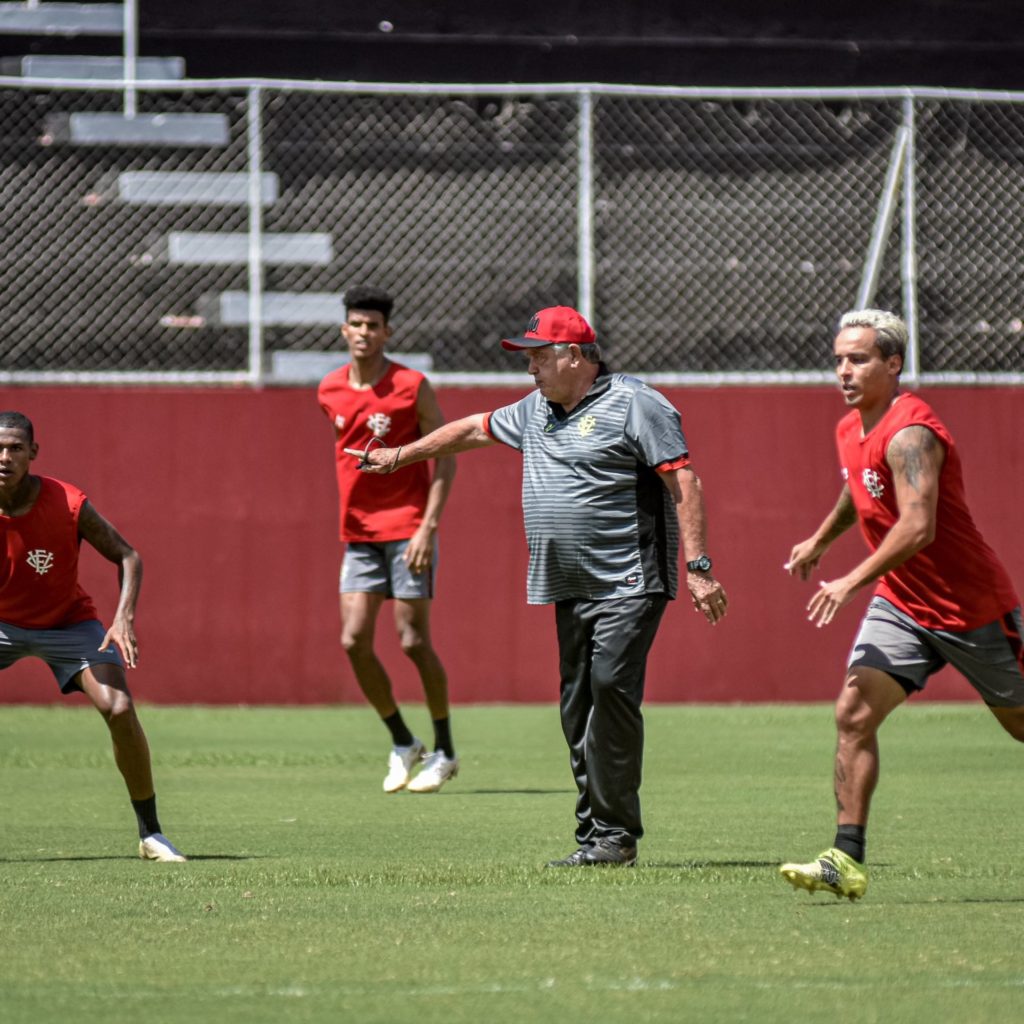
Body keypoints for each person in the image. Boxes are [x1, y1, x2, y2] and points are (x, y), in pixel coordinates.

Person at [346, 305, 728, 866]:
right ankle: (595, 835)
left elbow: (683, 481)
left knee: (609, 692)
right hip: (567, 584)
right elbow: (473, 428)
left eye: (538, 357)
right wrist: (400, 456)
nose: (531, 370)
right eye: (528, 359)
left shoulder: (636, 402)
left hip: (629, 579)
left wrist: (699, 569)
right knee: (577, 710)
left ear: (574, 355)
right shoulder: (536, 409)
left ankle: (615, 837)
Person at [780, 309, 1024, 901]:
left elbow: (918, 526)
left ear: (893, 364)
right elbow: (859, 483)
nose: (844, 369)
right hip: (903, 604)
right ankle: (846, 859)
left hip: (970, 608)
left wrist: (848, 581)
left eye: (858, 359)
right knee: (853, 714)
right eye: (838, 358)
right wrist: (820, 538)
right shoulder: (852, 427)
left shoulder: (913, 431)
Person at [0, 411, 185, 862]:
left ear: (33, 454)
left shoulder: (66, 502)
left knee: (119, 708)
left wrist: (123, 618)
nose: (4, 457)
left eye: (15, 448)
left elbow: (127, 556)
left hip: (67, 624)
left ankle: (151, 834)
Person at [317, 286, 459, 793]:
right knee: (353, 640)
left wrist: (429, 525)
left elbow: (446, 453)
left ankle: (444, 750)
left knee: (412, 640)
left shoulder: (411, 385)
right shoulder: (328, 389)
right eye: (356, 324)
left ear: (387, 333)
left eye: (373, 326)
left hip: (408, 531)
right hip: (358, 534)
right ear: (344, 330)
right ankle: (403, 741)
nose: (364, 333)